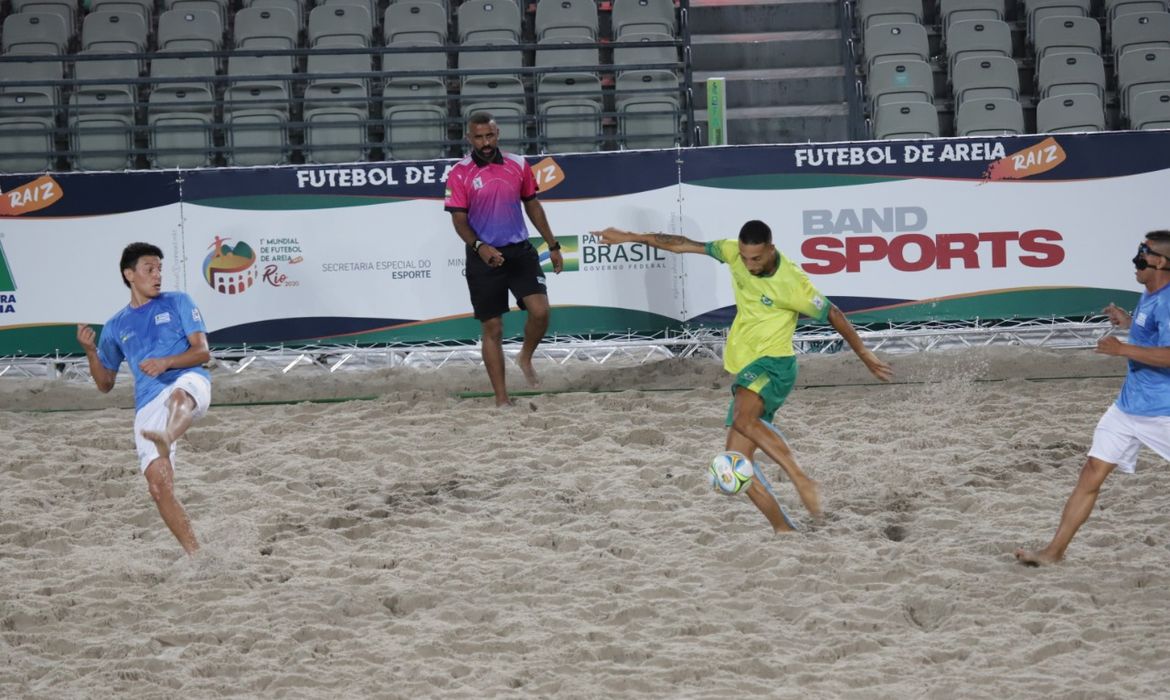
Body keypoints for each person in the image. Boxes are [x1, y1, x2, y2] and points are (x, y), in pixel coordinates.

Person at [594, 222, 893, 532]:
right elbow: (681, 243)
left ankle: (801, 479)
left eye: (757, 259)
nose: (749, 265)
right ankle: (784, 530)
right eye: (745, 258)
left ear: (771, 250)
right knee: (733, 465)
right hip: (748, 364)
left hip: (774, 365)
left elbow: (833, 313)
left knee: (742, 419)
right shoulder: (731, 252)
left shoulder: (791, 284)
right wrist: (629, 237)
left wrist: (865, 354)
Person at [1016, 231, 1170, 566]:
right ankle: (1053, 553)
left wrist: (1122, 349)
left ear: (1160, 261)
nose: (1137, 257)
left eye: (1144, 252)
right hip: (1128, 408)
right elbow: (1152, 335)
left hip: (1163, 412)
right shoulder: (1150, 293)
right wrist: (1127, 323)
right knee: (1091, 472)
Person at [76, 242, 212, 555]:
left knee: (179, 396)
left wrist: (166, 362)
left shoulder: (178, 301)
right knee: (158, 487)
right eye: (149, 269)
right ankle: (197, 555)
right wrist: (91, 352)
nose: (157, 275)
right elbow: (105, 384)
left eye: (160, 269)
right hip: (148, 402)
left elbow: (202, 351)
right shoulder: (115, 326)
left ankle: (167, 435)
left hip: (187, 378)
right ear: (129, 275)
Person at [444, 112, 563, 407]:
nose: (485, 142)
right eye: (479, 137)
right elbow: (459, 221)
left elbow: (533, 205)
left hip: (519, 251)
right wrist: (479, 247)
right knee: (493, 328)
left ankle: (525, 357)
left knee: (540, 312)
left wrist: (553, 243)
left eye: (490, 135)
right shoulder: (459, 173)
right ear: (469, 139)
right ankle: (502, 399)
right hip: (483, 256)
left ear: (498, 133)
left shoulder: (519, 164)